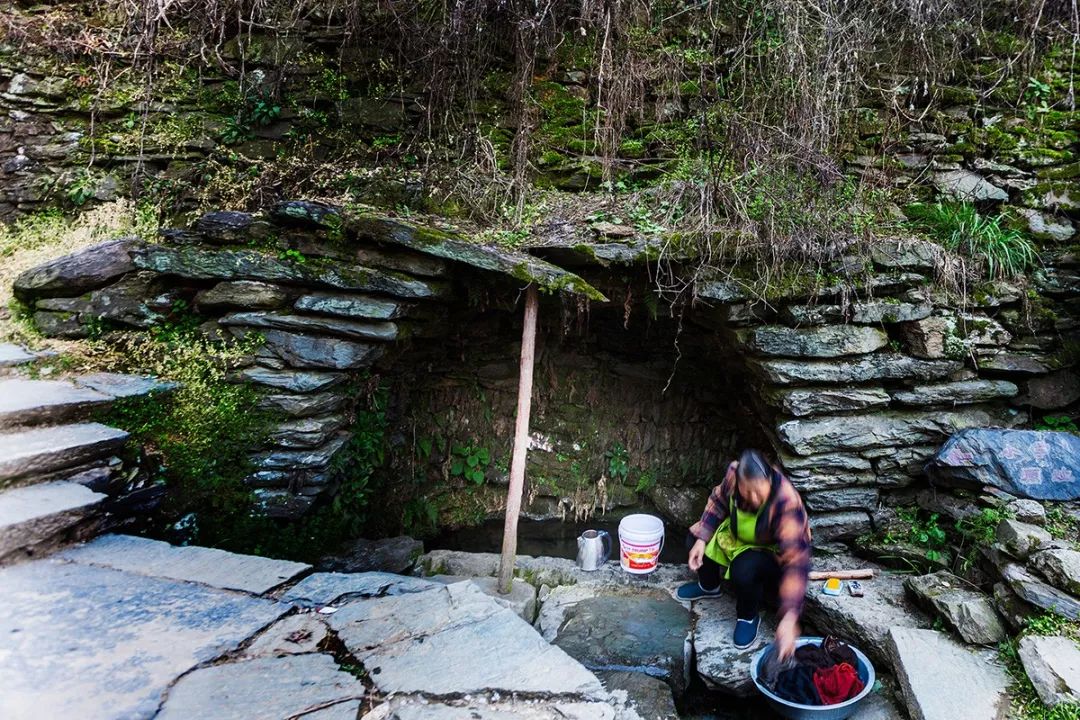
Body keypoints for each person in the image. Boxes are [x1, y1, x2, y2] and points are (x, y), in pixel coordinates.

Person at [676, 448, 811, 659]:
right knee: (694, 538)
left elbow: (796, 563)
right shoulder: (733, 474)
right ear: (739, 482)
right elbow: (718, 501)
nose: (754, 498)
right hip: (738, 536)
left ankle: (748, 617)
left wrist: (789, 618)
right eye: (748, 492)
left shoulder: (786, 503)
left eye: (759, 493)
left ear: (768, 480)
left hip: (770, 551)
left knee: (745, 569)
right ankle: (709, 586)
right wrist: (702, 539)